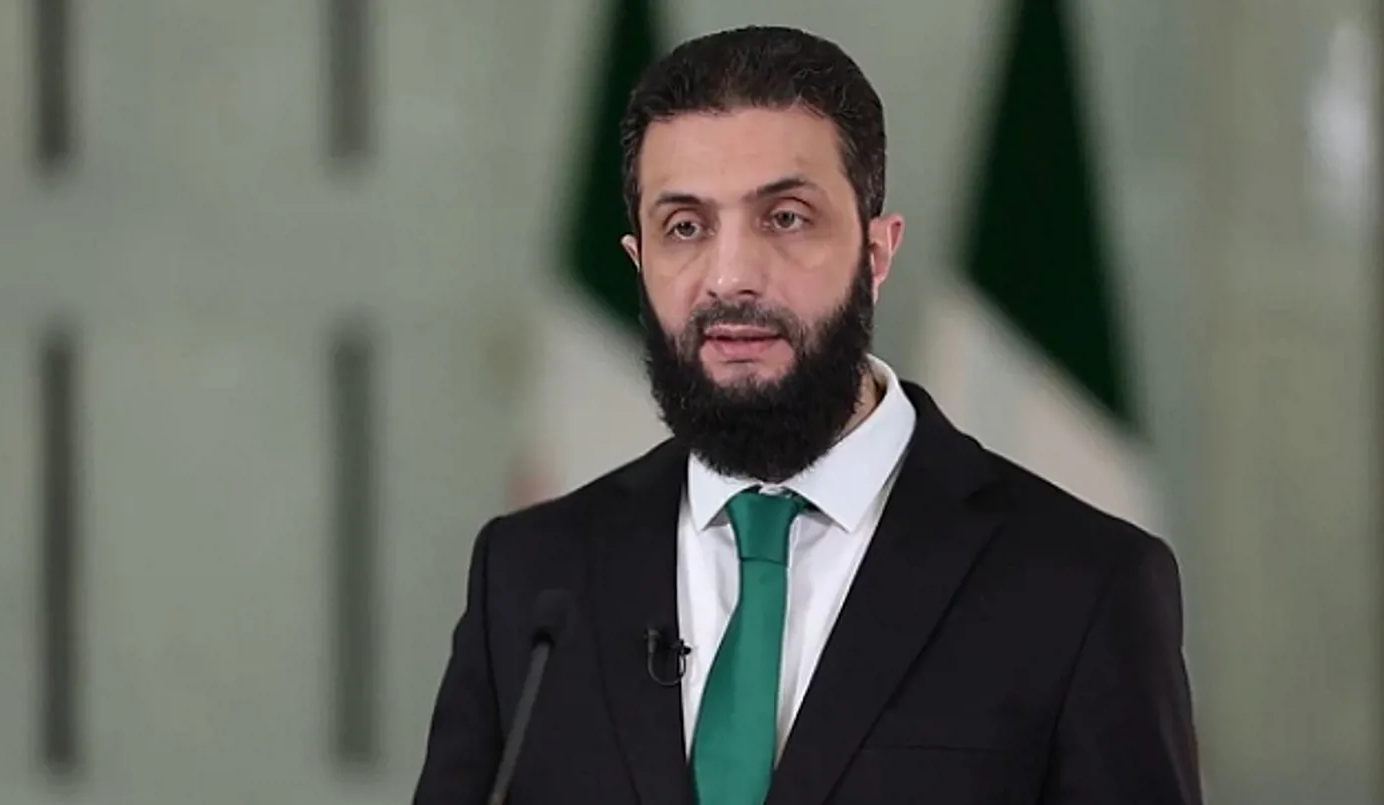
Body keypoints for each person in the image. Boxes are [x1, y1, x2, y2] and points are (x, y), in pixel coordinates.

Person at [412, 25, 1201, 805]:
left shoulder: (1082, 585)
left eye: (785, 217)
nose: (731, 275)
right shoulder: (530, 579)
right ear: (638, 262)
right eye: (685, 227)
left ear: (877, 252)